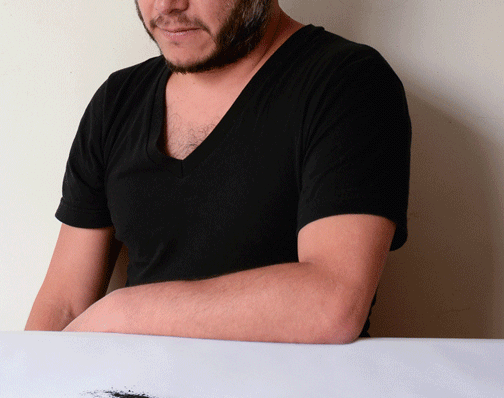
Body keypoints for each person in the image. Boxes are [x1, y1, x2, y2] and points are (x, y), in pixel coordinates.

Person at [25, 0, 411, 344]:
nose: (166, 5)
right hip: (134, 385)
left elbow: (332, 303)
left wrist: (123, 313)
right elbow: (64, 304)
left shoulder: (349, 82)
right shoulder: (117, 101)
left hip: (287, 389)